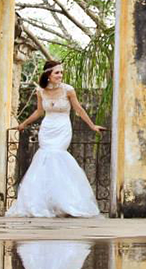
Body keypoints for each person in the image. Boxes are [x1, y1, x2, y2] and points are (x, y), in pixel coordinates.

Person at [6, 60, 105, 218]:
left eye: (61, 72)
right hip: (47, 128)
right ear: (48, 75)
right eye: (57, 73)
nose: (60, 75)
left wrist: (92, 126)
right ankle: (43, 202)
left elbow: (78, 109)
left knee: (57, 156)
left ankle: (66, 202)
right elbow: (39, 112)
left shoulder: (68, 90)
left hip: (62, 128)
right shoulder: (41, 91)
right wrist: (23, 124)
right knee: (44, 159)